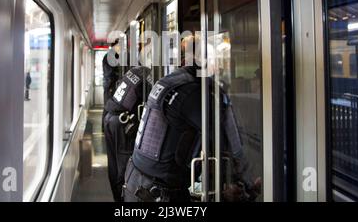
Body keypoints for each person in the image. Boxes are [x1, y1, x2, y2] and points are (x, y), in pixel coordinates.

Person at [123, 37, 260, 202]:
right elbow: (223, 142)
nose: (218, 66)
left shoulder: (170, 81)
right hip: (158, 193)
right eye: (213, 59)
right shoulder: (192, 92)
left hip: (138, 182)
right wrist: (248, 181)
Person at [104, 66, 152, 201]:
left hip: (110, 117)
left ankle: (117, 198)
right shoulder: (147, 74)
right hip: (122, 123)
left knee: (113, 166)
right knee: (124, 168)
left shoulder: (134, 71)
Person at [102, 41, 121, 130]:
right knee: (108, 106)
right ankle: (105, 128)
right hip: (110, 85)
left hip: (110, 84)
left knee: (109, 106)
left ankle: (106, 127)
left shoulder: (112, 56)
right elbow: (109, 73)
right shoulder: (110, 56)